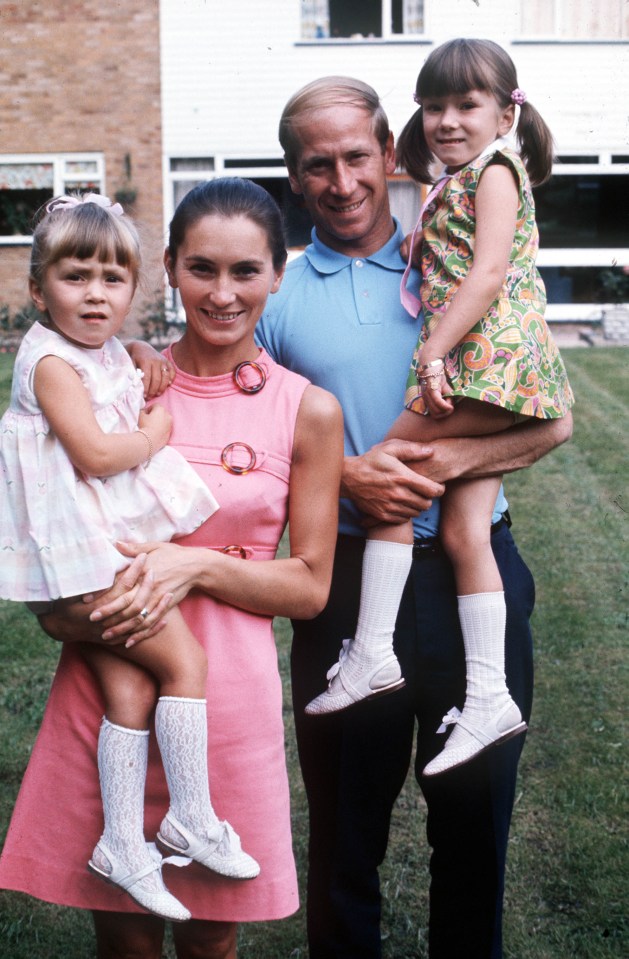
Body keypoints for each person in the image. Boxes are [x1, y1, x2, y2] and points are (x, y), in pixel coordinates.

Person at [255, 76, 573, 958]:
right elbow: (243, 449)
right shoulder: (274, 301)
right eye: (317, 165)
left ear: (388, 154)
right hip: (350, 587)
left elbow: (554, 418)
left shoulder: (453, 258)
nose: (343, 180)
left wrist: (435, 467)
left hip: (473, 578)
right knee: (345, 843)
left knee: (473, 835)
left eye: (357, 156)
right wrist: (349, 479)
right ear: (294, 177)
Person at [0, 177, 343, 959]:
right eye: (201, 269)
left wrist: (193, 566)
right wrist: (57, 614)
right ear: (169, 268)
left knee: (214, 936)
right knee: (122, 935)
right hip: (110, 672)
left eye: (245, 271)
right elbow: (45, 511)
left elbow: (311, 585)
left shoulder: (306, 408)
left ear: (278, 273)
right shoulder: (114, 378)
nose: (222, 294)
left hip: (222, 695)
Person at [304, 40, 574, 781]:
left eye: (465, 105)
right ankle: (488, 695)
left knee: (391, 466)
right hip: (499, 367)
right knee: (462, 528)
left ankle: (370, 654)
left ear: (504, 109)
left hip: (483, 365)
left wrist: (432, 356)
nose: (446, 120)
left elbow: (487, 273)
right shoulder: (457, 179)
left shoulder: (492, 170)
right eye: (433, 106)